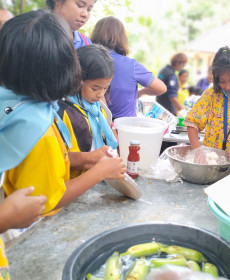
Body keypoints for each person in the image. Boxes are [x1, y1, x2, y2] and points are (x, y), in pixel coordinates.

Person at [0, 10, 126, 220]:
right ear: (63, 69)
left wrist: (86, 158)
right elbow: (46, 201)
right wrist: (99, 172)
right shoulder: (39, 128)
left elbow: (48, 162)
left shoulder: (13, 103)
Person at [58, 44, 119, 178]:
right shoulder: (62, 113)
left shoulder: (98, 111)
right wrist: (89, 158)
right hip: (72, 183)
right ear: (76, 80)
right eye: (95, 88)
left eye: (105, 88)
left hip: (94, 179)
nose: (100, 94)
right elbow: (57, 159)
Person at [90, 16, 166, 118]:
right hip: (124, 127)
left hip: (93, 123)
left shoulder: (86, 59)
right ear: (122, 38)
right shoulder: (131, 66)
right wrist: (141, 92)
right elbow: (161, 88)